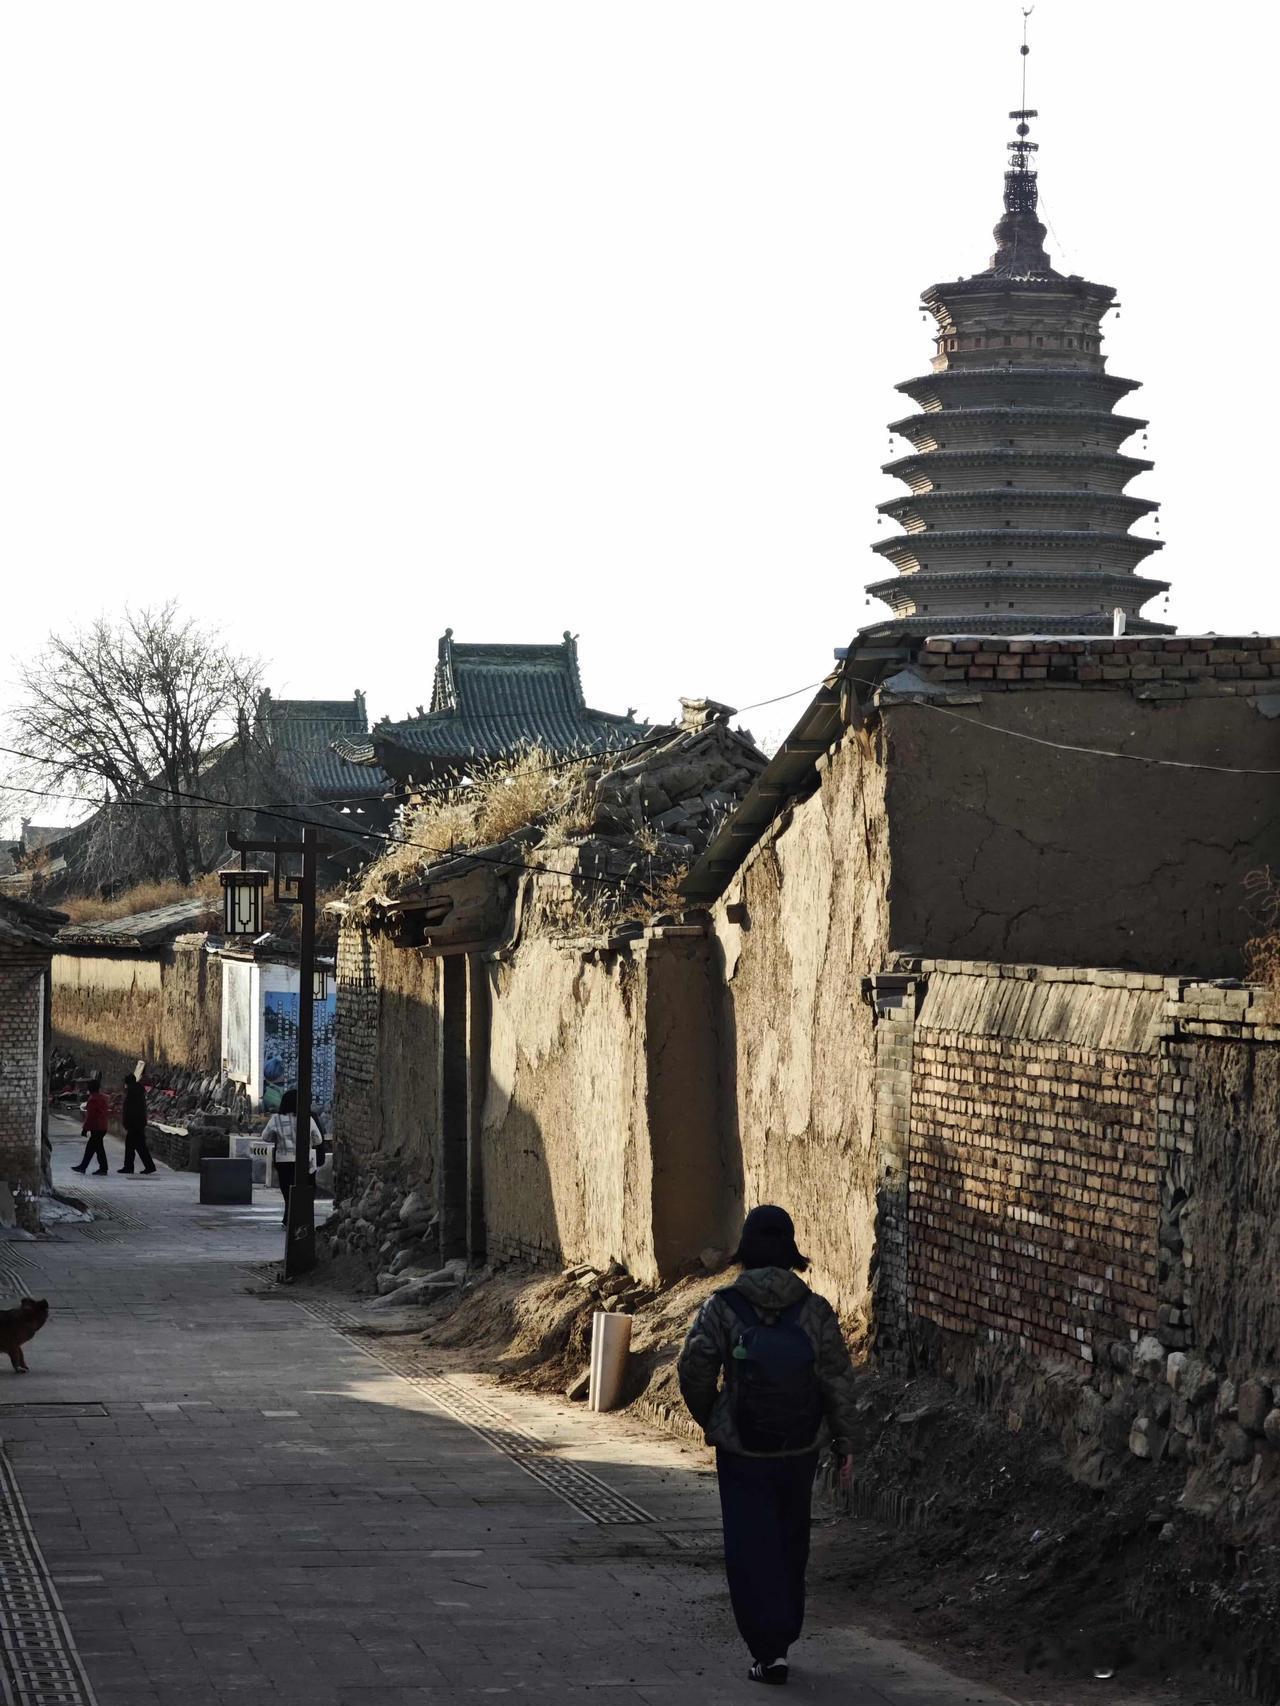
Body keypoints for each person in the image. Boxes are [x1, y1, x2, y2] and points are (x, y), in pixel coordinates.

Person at [677, 1205, 858, 1686]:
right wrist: (844, 1441)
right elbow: (837, 1379)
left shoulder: (723, 1307)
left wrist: (717, 1418)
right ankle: (785, 1632)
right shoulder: (814, 1310)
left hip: (743, 1452)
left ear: (749, 1248)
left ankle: (767, 1650)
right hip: (799, 1449)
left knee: (748, 1546)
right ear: (790, 1251)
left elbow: (693, 1370)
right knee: (789, 1542)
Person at [260, 1089, 323, 1225]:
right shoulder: (307, 1118)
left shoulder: (275, 1119)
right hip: (305, 1161)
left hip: (283, 1160)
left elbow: (265, 1137)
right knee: (305, 1190)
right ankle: (302, 1218)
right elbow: (318, 1139)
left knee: (287, 1190)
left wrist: (278, 1139)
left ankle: (288, 1217)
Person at [119, 1073, 157, 1175]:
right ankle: (133, 1166)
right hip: (138, 1122)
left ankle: (132, 1167)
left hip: (134, 1123)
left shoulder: (132, 1092)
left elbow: (130, 1110)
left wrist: (127, 1122)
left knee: (135, 1146)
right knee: (136, 1146)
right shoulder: (138, 1091)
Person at [72, 1077, 110, 1176]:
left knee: (93, 1148)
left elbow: (91, 1117)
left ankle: (98, 1168)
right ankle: (88, 1167)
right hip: (103, 1126)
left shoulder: (93, 1100)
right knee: (97, 1148)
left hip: (96, 1127)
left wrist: (85, 1129)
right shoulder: (103, 1098)